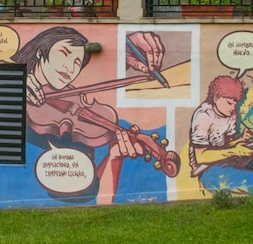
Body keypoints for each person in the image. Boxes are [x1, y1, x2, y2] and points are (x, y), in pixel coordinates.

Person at [15, 26, 164, 204]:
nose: (69, 67)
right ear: (40, 53)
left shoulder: (74, 138)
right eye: (64, 53)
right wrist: (15, 80)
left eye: (77, 62)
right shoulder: (16, 86)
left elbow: (97, 196)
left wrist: (114, 156)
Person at [189, 75, 253, 189]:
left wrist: (241, 139)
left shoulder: (231, 113)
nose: (233, 107)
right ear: (216, 98)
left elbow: (227, 145)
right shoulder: (203, 117)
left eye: (235, 104)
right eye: (229, 103)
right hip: (208, 168)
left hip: (229, 160)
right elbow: (201, 157)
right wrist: (236, 151)